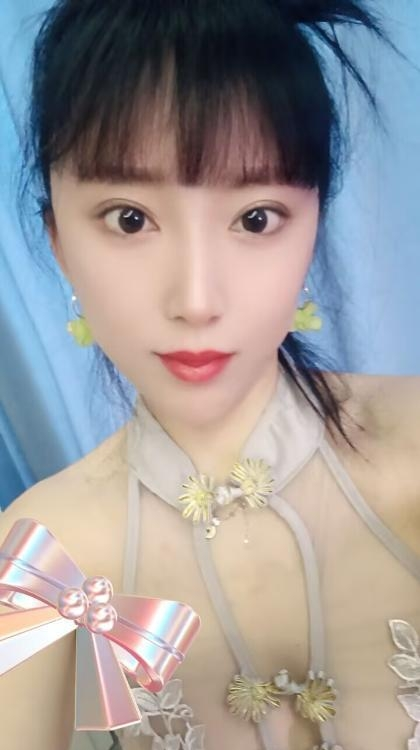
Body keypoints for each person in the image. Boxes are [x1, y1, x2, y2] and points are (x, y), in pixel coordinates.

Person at [1, 1, 419, 749]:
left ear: (314, 223)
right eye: (129, 218)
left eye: (256, 218)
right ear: (57, 241)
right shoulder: (36, 560)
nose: (196, 301)